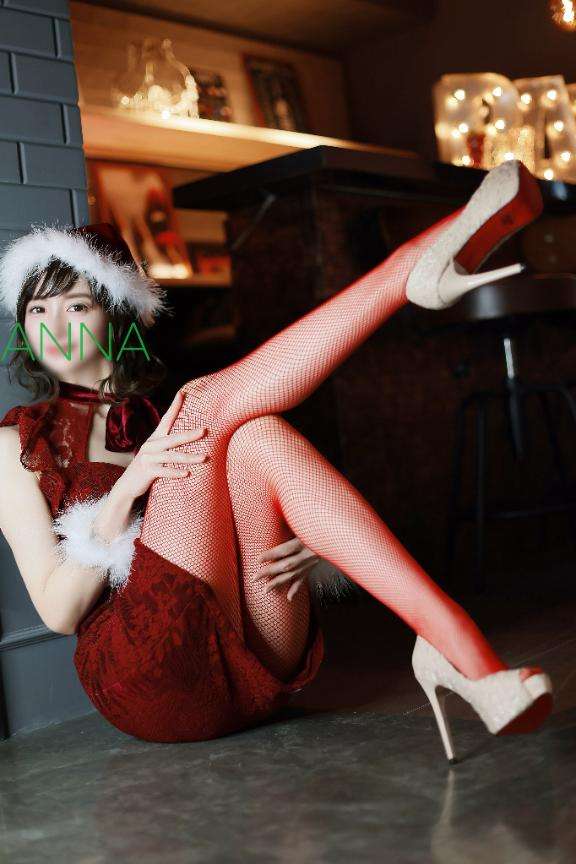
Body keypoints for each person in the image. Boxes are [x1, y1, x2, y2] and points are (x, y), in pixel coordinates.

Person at [0, 159, 553, 762]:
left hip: (255, 664)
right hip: (147, 677)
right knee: (206, 403)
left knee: (256, 434)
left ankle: (454, 649)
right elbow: (59, 613)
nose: (54, 327)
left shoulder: (161, 422)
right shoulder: (16, 444)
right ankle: (406, 272)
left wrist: (318, 539)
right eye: (37, 311)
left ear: (115, 315)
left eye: (77, 307)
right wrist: (125, 494)